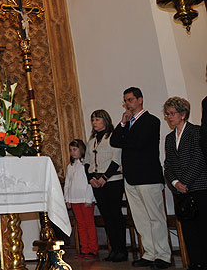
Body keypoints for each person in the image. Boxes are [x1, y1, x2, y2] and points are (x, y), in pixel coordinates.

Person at [110, 87, 171, 269]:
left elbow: (139, 143)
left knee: (155, 218)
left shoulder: (151, 120)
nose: (127, 104)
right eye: (125, 101)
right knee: (141, 219)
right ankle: (150, 253)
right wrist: (122, 124)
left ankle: (163, 255)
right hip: (130, 177)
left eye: (130, 100)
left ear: (140, 100)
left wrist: (124, 136)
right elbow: (114, 141)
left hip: (148, 176)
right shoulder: (127, 124)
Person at [162, 97, 207, 270]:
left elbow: (199, 159)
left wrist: (184, 182)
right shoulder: (169, 138)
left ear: (182, 114)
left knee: (203, 229)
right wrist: (175, 183)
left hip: (199, 187)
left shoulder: (196, 131)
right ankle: (195, 262)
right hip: (181, 191)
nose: (169, 117)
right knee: (188, 230)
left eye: (172, 113)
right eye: (167, 114)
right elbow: (168, 165)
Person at [85, 109, 127, 262]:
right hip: (96, 183)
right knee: (107, 217)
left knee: (115, 215)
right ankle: (113, 249)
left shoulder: (113, 137)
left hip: (112, 181)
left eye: (97, 119)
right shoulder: (92, 140)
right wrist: (90, 178)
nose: (94, 122)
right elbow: (87, 162)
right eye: (93, 119)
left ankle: (121, 250)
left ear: (105, 120)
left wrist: (104, 177)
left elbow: (117, 160)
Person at [65, 139, 98, 259]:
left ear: (81, 149)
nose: (72, 152)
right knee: (80, 225)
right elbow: (67, 183)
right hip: (74, 200)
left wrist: (89, 199)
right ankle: (84, 249)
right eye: (70, 150)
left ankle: (92, 249)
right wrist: (67, 199)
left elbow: (89, 183)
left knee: (89, 224)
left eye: (75, 149)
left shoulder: (86, 165)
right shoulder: (70, 166)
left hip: (85, 199)